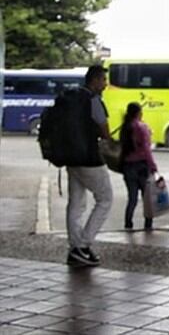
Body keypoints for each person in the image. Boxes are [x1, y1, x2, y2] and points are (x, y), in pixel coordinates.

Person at [65, 64, 114, 267]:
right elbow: (104, 131)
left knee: (75, 203)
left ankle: (75, 247)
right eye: (103, 80)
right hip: (89, 158)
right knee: (105, 199)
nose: (105, 84)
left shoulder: (71, 98)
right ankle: (83, 245)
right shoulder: (93, 101)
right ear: (94, 80)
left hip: (70, 157)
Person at [118, 102, 158, 230]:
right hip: (141, 165)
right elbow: (146, 149)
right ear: (138, 112)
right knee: (147, 198)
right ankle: (148, 224)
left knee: (132, 198)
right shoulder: (141, 127)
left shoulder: (124, 127)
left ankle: (128, 223)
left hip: (127, 165)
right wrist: (153, 165)